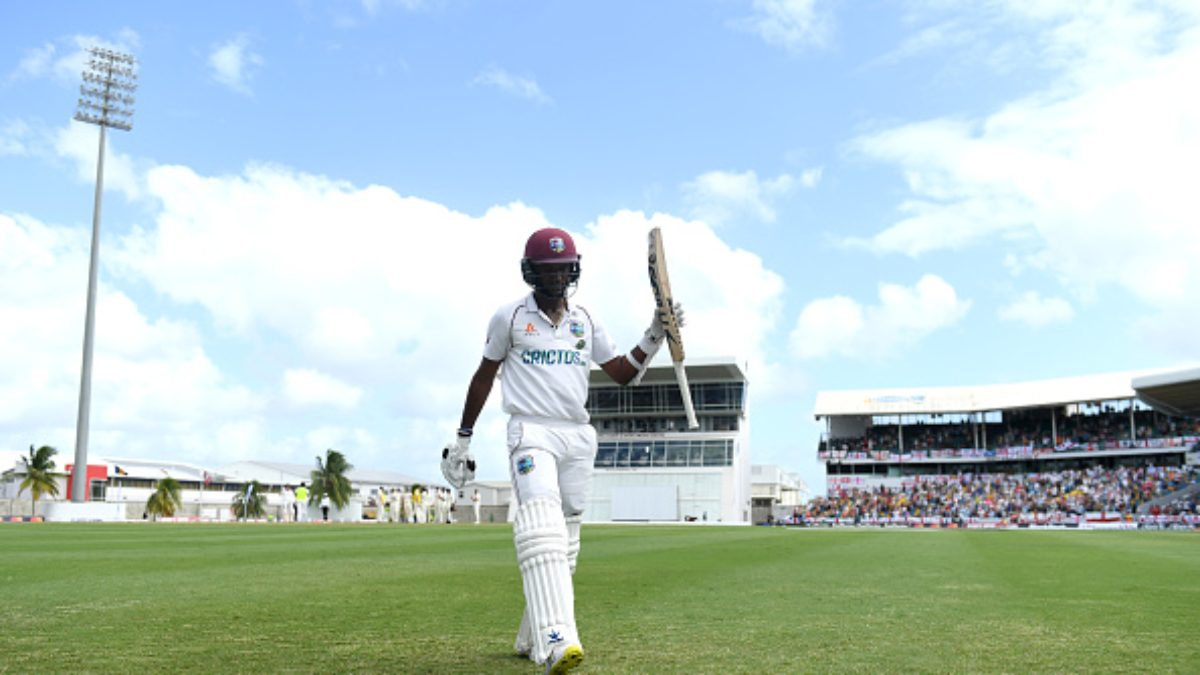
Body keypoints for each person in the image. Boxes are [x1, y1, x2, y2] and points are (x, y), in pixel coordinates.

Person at [442, 227, 678, 675]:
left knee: (566, 542)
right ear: (531, 272)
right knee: (542, 527)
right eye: (547, 270)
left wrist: (654, 333)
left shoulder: (585, 320)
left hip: (577, 435)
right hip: (531, 431)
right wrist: (463, 437)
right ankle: (556, 640)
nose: (556, 277)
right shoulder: (509, 317)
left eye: (563, 268)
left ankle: (529, 635)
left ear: (574, 269)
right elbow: (484, 375)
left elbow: (622, 372)